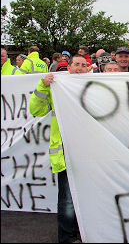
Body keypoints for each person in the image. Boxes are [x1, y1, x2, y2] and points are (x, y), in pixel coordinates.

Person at [29, 54, 88, 243]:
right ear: (68, 67)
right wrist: (43, 86)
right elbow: (36, 111)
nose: (79, 68)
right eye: (76, 64)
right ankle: (68, 237)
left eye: (83, 65)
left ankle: (83, 234)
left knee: (88, 197)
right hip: (66, 153)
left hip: (89, 154)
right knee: (68, 201)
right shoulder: (57, 88)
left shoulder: (92, 85)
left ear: (88, 68)